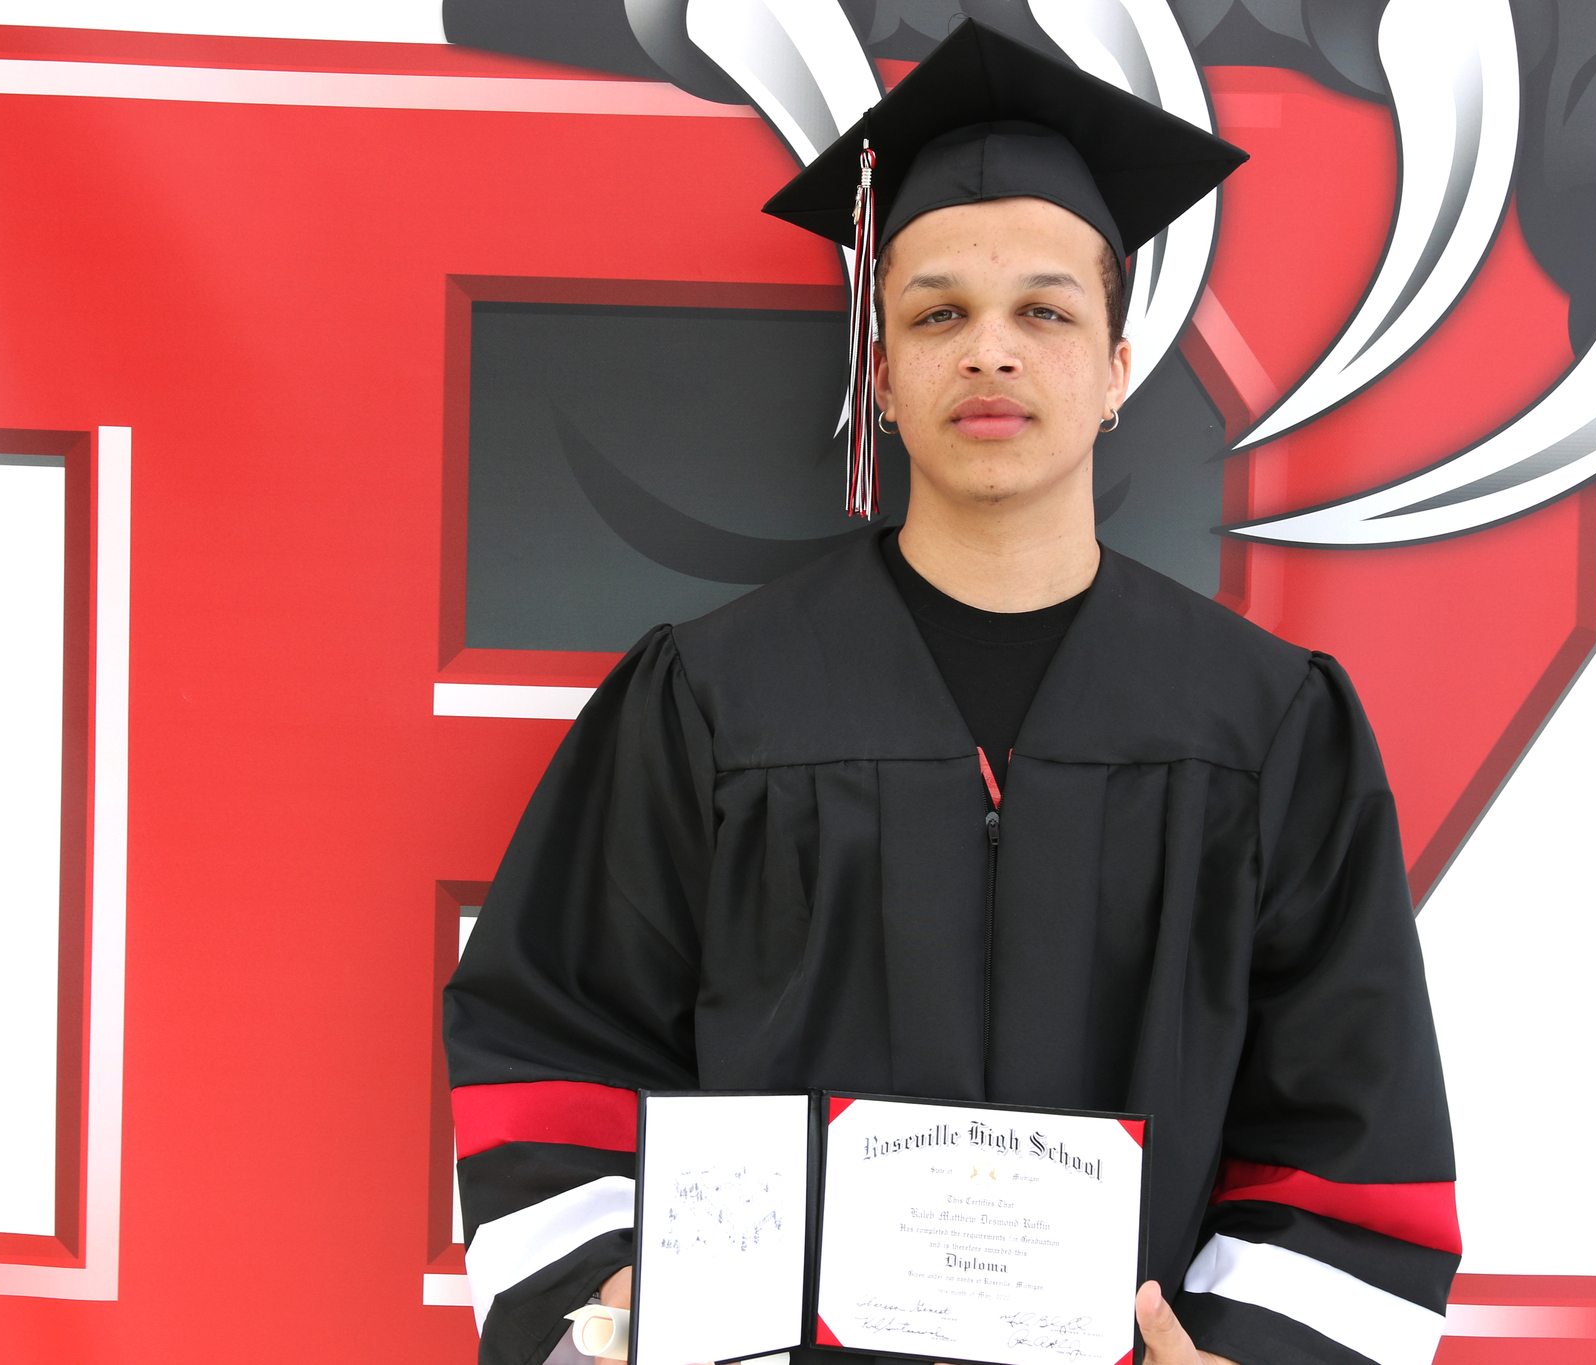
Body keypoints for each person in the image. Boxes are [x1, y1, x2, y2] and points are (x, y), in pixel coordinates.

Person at [445, 20, 1456, 1365]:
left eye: (1046, 311)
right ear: (880, 373)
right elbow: (553, 1043)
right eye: (937, 314)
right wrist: (610, 1304)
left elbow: (1349, 1128)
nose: (991, 351)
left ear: (1117, 368)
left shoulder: (1265, 729)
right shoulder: (713, 702)